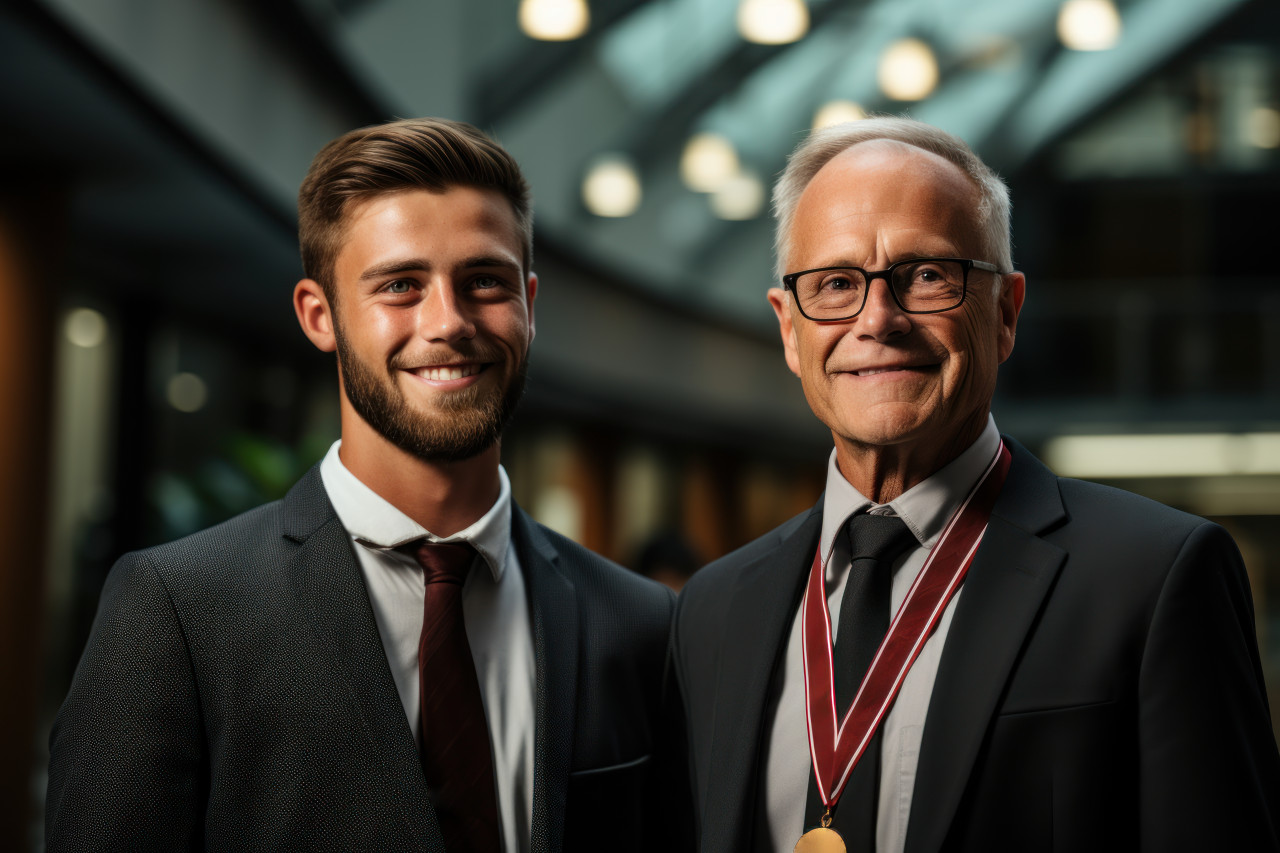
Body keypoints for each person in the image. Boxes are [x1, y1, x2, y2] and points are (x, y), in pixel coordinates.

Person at [47, 118, 683, 852]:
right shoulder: (178, 612)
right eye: (401, 285)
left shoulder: (639, 624)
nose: (448, 321)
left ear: (529, 306)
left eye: (484, 281)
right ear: (320, 316)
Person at [671, 117, 1280, 852]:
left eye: (926, 275)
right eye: (835, 283)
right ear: (790, 331)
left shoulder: (1153, 579)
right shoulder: (711, 610)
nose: (879, 318)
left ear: (1006, 313)